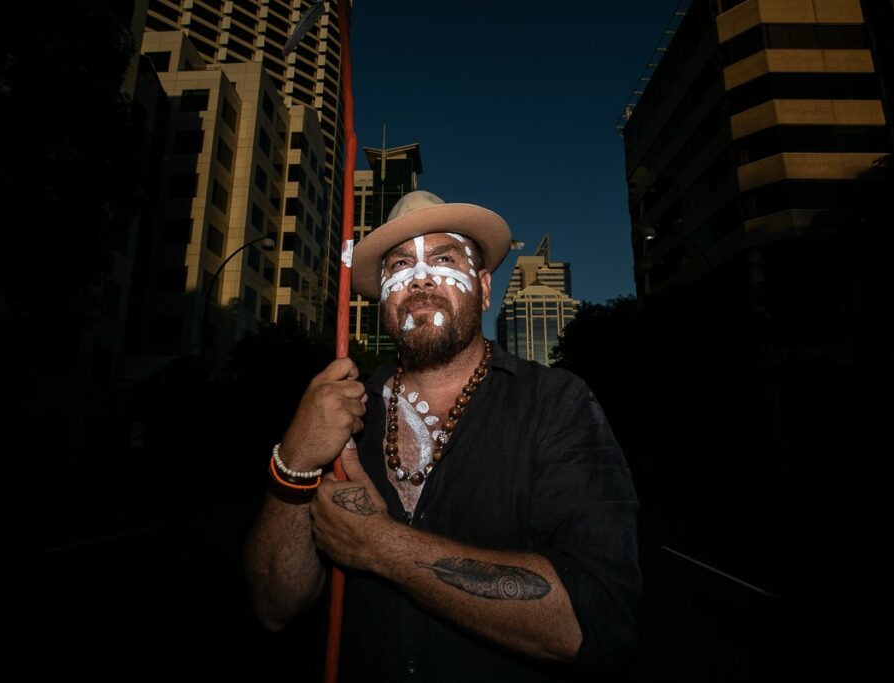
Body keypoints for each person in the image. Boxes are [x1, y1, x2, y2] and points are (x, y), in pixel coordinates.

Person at [245, 190, 640, 681]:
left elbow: (594, 621)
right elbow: (273, 605)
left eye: (444, 258)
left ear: (484, 286)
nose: (421, 278)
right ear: (382, 296)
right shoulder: (340, 416)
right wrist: (296, 457)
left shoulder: (557, 405)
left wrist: (380, 546)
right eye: (398, 266)